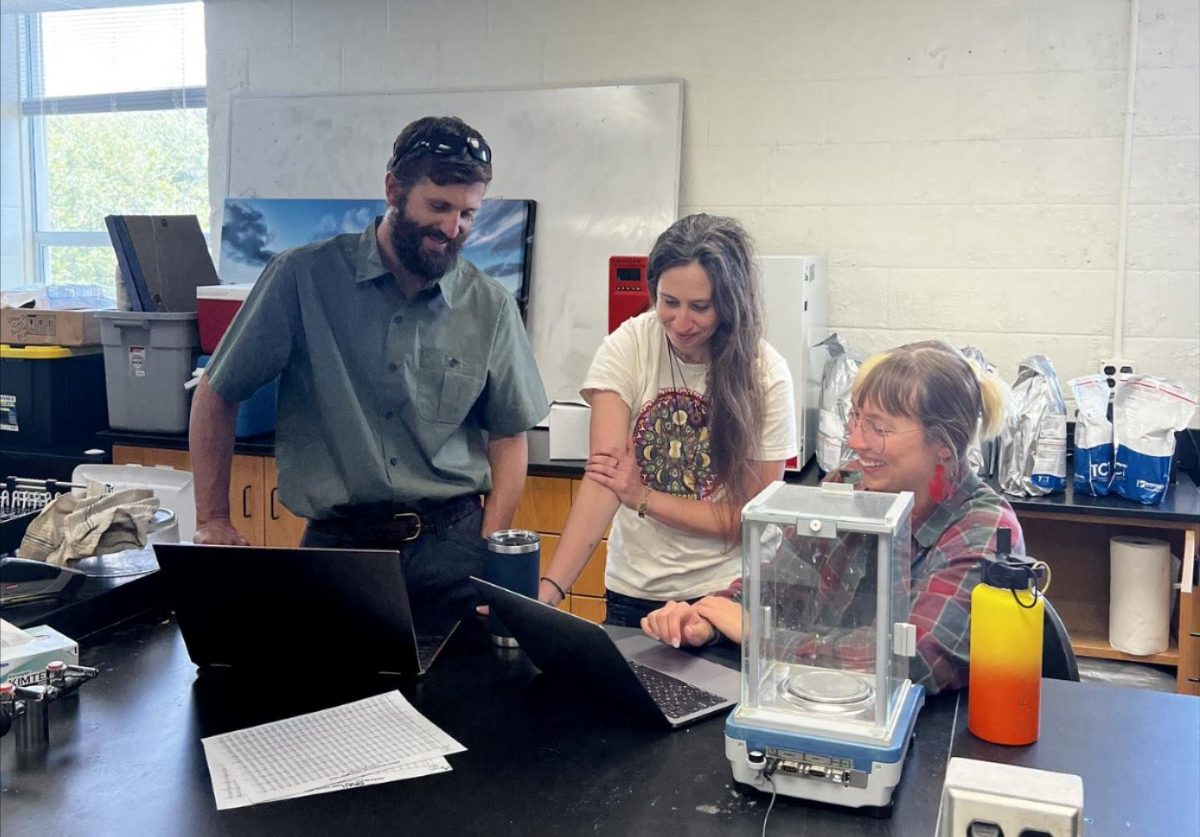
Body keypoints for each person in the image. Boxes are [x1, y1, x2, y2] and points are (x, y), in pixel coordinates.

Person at [189, 116, 549, 622]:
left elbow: (509, 436)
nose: (453, 229)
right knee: (330, 700)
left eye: (468, 214)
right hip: (339, 554)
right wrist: (214, 518)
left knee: (459, 700)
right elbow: (217, 391)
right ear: (393, 190)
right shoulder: (301, 278)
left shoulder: (488, 305)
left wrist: (490, 547)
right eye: (439, 207)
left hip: (453, 553)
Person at [641, 340, 1022, 695]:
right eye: (854, 419)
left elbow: (913, 660)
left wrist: (762, 636)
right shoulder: (852, 486)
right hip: (824, 702)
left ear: (943, 442)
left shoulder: (985, 531)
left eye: (878, 427)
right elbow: (780, 583)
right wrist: (707, 619)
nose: (855, 441)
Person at [536, 214, 797, 627]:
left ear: (730, 304)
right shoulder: (629, 345)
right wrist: (548, 592)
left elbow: (749, 517)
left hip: (725, 596)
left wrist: (644, 498)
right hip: (635, 591)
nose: (681, 322)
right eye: (668, 302)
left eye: (700, 307)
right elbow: (606, 481)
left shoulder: (765, 374)